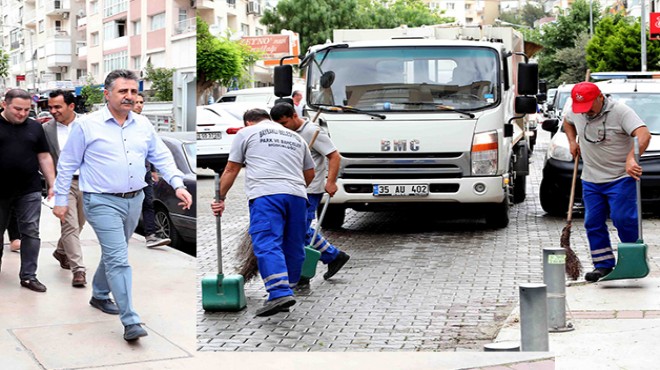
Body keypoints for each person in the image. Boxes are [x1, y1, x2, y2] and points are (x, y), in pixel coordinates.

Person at [53, 69, 193, 341]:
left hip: (135, 199)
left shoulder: (142, 125)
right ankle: (130, 320)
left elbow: (161, 156)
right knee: (119, 258)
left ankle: (99, 294)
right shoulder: (87, 125)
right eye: (123, 91)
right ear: (107, 94)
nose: (129, 96)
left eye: (133, 92)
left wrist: (178, 184)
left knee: (113, 252)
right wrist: (60, 200)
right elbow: (67, 163)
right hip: (101, 200)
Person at [211, 108, 315, 317]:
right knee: (293, 244)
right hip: (297, 195)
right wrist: (293, 188)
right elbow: (310, 173)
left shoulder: (246, 133)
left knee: (267, 242)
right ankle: (288, 289)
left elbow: (231, 169)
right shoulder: (295, 137)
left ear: (248, 122)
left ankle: (278, 293)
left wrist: (220, 198)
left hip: (267, 195)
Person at [563, 82, 651, 282]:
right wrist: (571, 141)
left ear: (600, 97)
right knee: (592, 222)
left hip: (620, 177)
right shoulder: (577, 111)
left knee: (623, 219)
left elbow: (643, 134)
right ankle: (603, 265)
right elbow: (567, 122)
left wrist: (631, 158)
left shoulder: (620, 112)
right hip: (591, 179)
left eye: (588, 106)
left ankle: (633, 260)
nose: (585, 112)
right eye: (581, 108)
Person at [270, 103, 350, 287]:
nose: (282, 127)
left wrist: (330, 181)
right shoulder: (289, 132)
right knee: (297, 229)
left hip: (310, 189)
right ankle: (333, 256)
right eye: (278, 124)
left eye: (284, 123)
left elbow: (335, 156)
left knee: (298, 230)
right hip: (292, 188)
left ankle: (307, 269)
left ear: (293, 115)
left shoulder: (313, 132)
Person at [0, 88, 56, 291]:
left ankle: (29, 276)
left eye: (26, 110)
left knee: (31, 232)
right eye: (17, 109)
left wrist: (52, 184)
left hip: (29, 189)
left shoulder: (35, 127)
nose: (22, 114)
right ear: (4, 104)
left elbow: (44, 156)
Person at [43, 89, 89, 287]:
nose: (53, 111)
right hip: (64, 182)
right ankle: (78, 269)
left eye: (57, 107)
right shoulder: (46, 130)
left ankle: (61, 250)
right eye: (50, 107)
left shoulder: (88, 125)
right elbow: (45, 158)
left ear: (71, 106)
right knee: (69, 224)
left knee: (79, 223)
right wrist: (51, 184)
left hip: (89, 181)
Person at [132, 92, 170, 248]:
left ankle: (151, 235)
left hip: (145, 171)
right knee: (127, 205)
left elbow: (151, 148)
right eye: (136, 102)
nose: (139, 105)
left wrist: (153, 169)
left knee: (148, 202)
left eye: (141, 102)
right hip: (127, 172)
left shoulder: (144, 123)